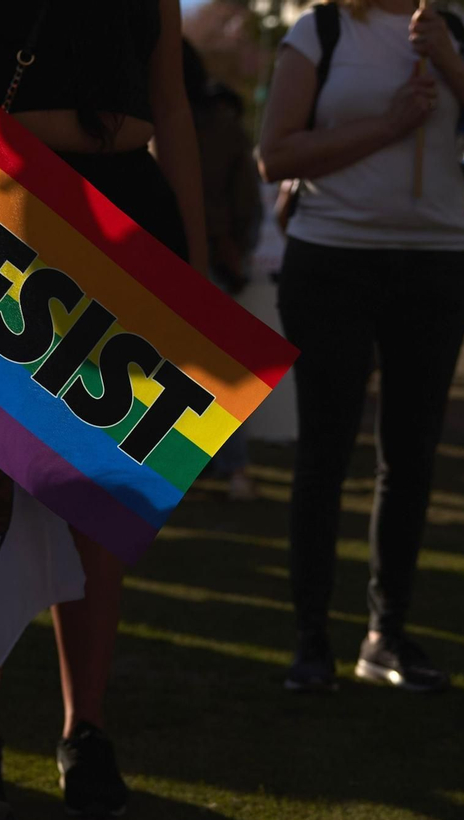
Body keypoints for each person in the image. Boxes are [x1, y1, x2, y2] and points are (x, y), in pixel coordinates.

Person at [0, 0, 209, 817]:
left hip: (126, 213)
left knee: (99, 493)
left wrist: (191, 260)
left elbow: (173, 105)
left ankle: (85, 731)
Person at [257, 0, 464, 693]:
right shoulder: (320, 31)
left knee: (409, 458)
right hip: (333, 258)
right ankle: (310, 638)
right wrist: (388, 126)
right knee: (325, 452)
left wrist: (452, 66)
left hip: (437, 262)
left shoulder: (457, 32)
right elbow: (275, 155)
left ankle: (386, 635)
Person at [186, 40, 261, 501]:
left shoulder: (168, 121)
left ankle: (222, 467)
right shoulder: (228, 129)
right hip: (214, 254)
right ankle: (232, 469)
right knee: (221, 375)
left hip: (185, 253)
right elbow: (247, 203)